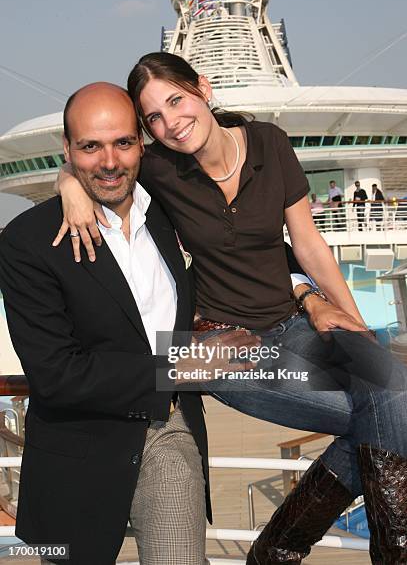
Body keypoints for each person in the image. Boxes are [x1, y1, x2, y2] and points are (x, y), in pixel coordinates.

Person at [55, 54, 407, 564]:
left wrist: (351, 325)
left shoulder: (269, 143)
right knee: (386, 412)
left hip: (296, 323)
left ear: (204, 88)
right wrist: (69, 186)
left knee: (391, 399)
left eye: (176, 100)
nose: (170, 123)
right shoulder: (159, 167)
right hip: (221, 346)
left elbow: (307, 245)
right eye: (153, 117)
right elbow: (92, 162)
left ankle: (276, 549)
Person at [0, 83, 216, 565]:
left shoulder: (169, 212)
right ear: (68, 149)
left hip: (168, 427)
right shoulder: (26, 242)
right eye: (90, 147)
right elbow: (55, 373)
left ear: (142, 142)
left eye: (122, 142)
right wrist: (176, 368)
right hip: (77, 452)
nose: (110, 162)